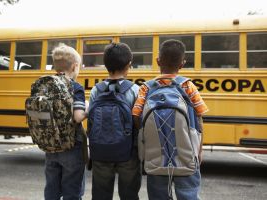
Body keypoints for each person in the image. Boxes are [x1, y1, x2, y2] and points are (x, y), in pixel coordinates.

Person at [132, 39, 208, 200]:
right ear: (182, 64)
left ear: (158, 61)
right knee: (188, 194)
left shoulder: (146, 88)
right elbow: (200, 119)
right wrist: (199, 150)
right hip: (187, 155)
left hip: (155, 158)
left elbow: (136, 116)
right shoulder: (188, 86)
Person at [88, 43, 141, 200]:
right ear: (128, 65)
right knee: (129, 193)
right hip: (128, 152)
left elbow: (91, 120)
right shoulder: (134, 90)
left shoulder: (96, 90)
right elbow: (138, 122)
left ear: (105, 65)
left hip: (100, 151)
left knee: (100, 194)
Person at [44, 43, 88, 200]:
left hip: (50, 146)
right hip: (71, 146)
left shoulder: (45, 86)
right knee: (72, 191)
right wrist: (87, 108)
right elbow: (77, 117)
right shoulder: (75, 87)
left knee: (51, 190)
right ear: (75, 66)